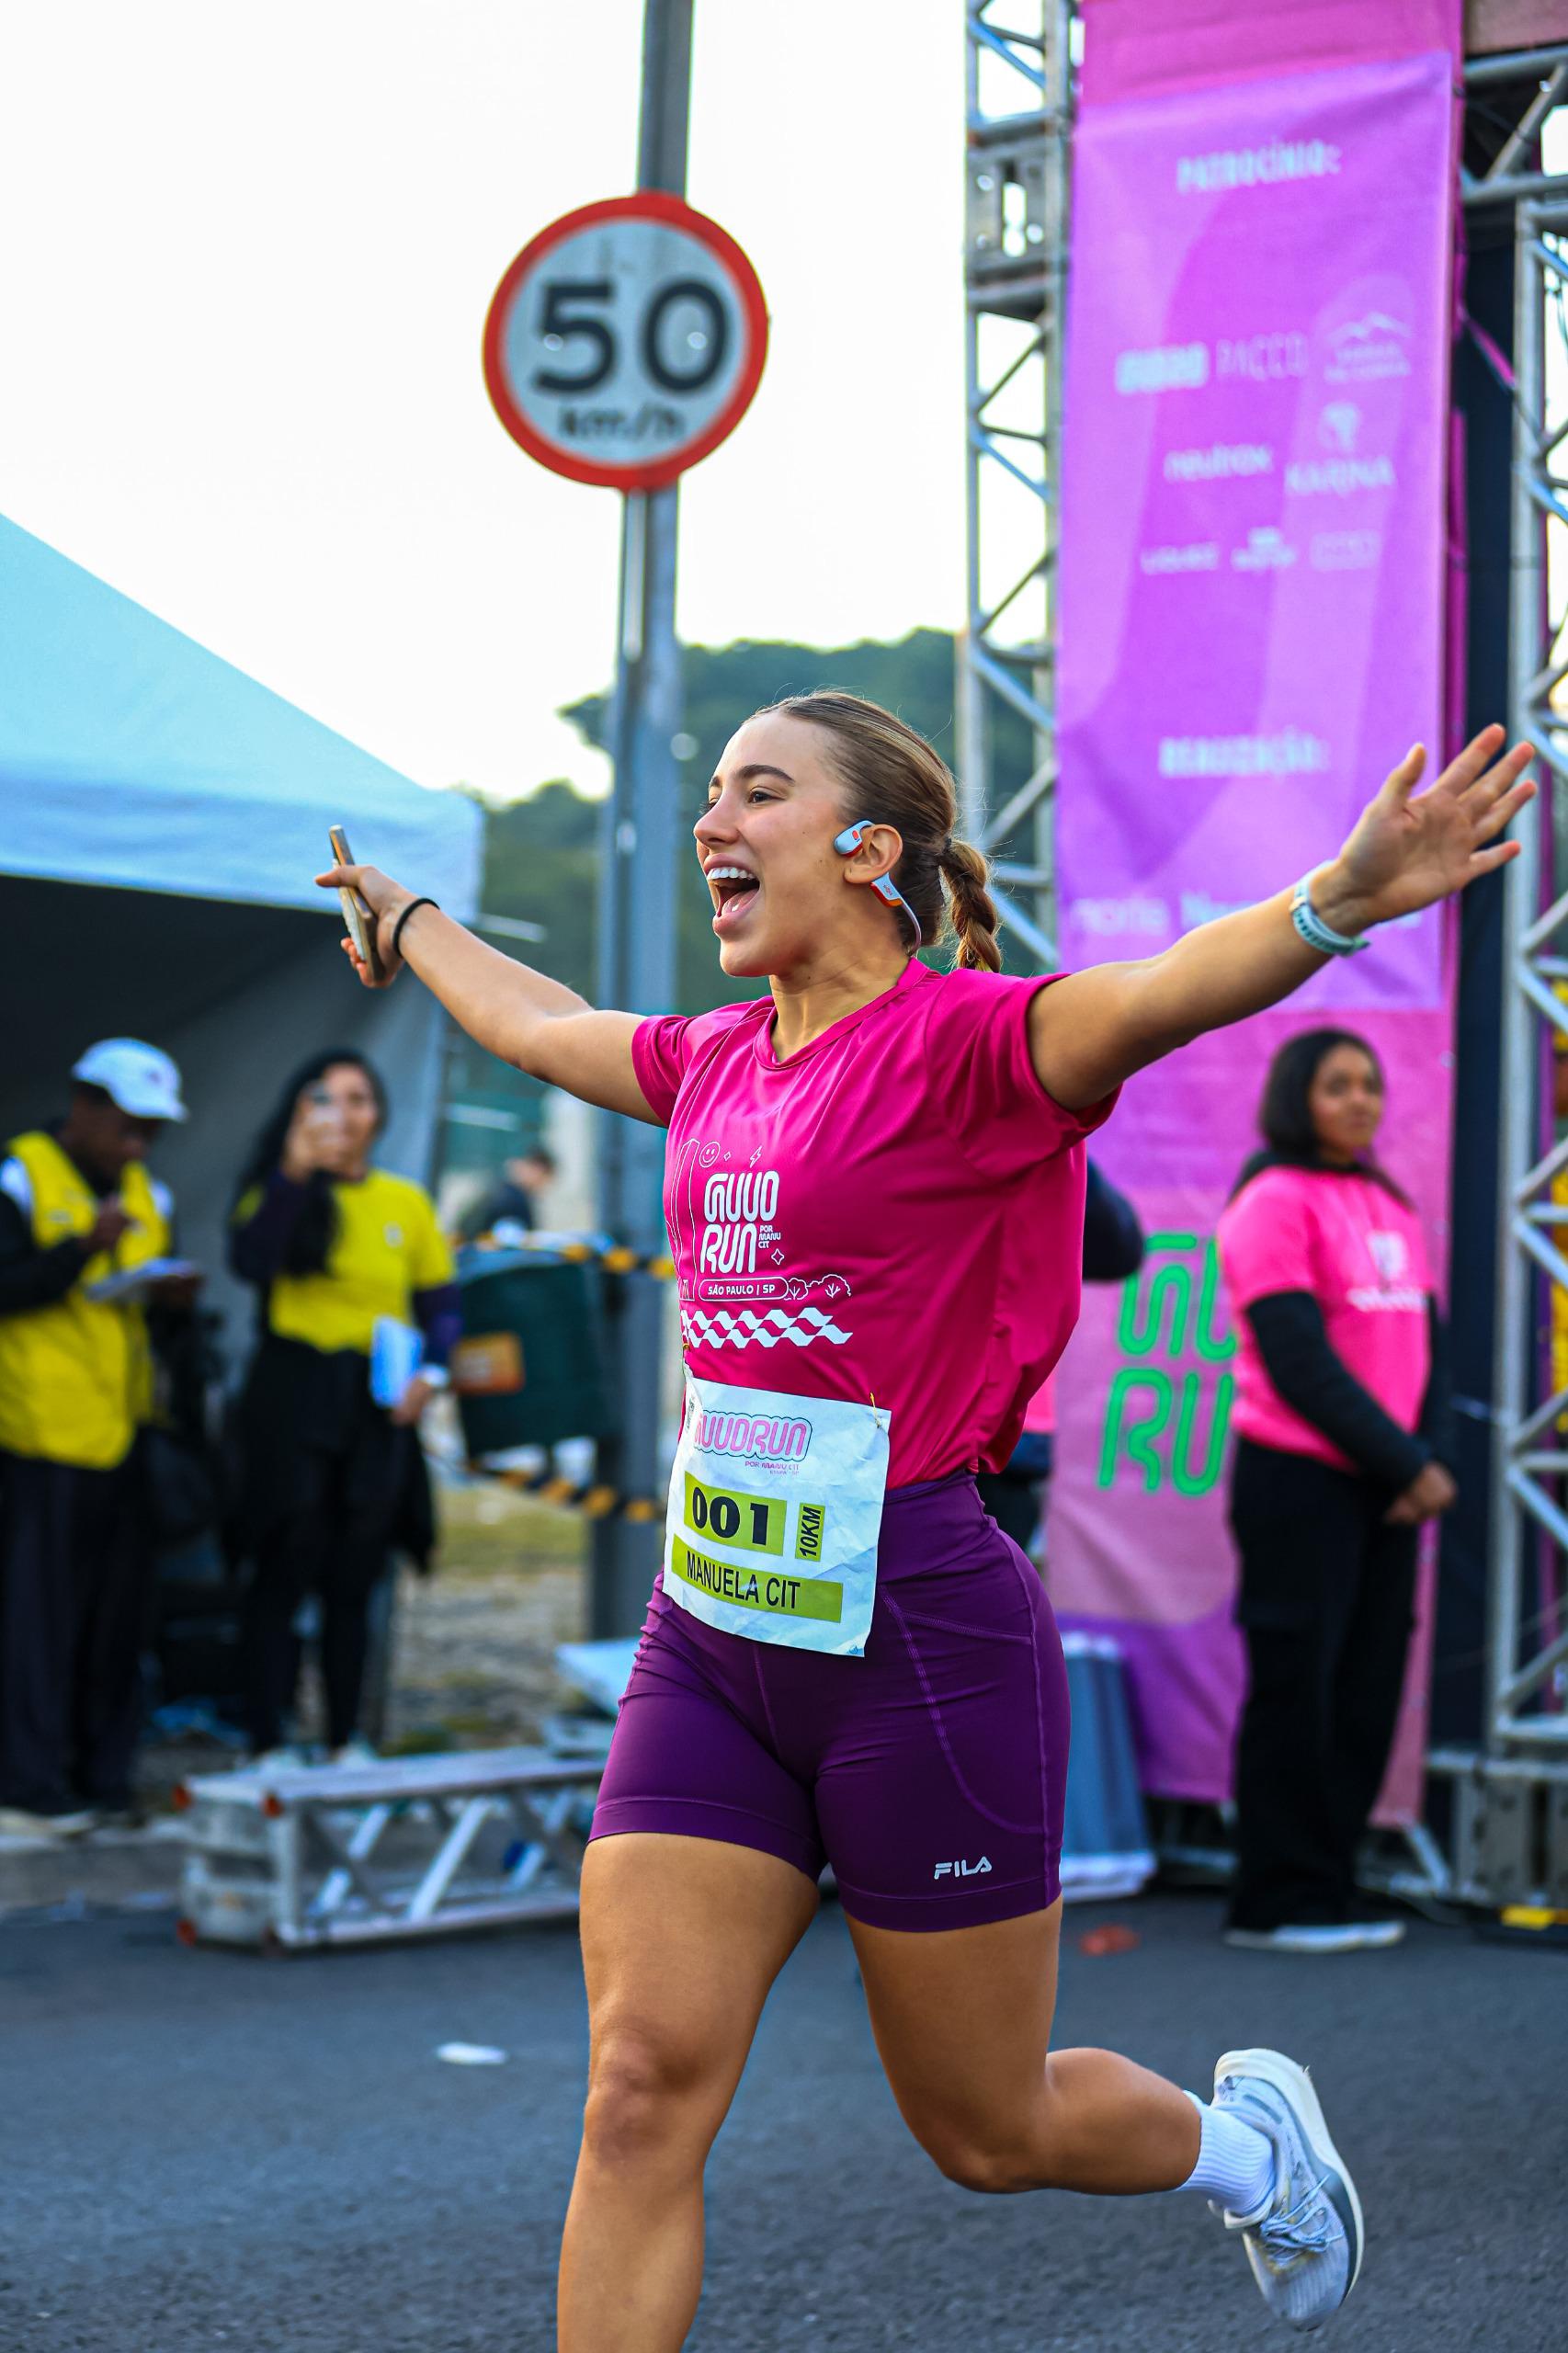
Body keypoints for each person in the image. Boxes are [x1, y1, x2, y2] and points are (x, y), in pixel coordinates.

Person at [322, 699, 1530, 2347]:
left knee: (986, 2130)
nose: (714, 823)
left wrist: (1339, 899)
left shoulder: (977, 1047)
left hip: (923, 1639)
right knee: (637, 2088)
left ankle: (1248, 2152)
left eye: (758, 792)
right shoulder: (712, 1060)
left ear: (866, 846)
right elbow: (541, 1027)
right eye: (712, 793)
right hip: (712, 1639)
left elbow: (1165, 990)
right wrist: (406, 917)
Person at [1215, 1030, 1457, 1957]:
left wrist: (1417, 1462)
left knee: (1365, 1687)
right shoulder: (1271, 1200)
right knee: (1296, 1686)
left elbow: (1428, 1353)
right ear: (1295, 1098)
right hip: (1299, 1482)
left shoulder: (1388, 1203)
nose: (1361, 1101)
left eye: (1370, 1086)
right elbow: (1299, 1362)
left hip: (1386, 1489)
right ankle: (1273, 1899)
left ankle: (1331, 1881)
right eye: (1337, 1086)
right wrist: (1407, 1465)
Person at [228, 1050, 458, 1764]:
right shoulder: (280, 1189)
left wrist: (432, 1373)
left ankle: (343, 1738)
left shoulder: (404, 1202)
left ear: (379, 1115)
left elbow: (441, 1305)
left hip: (375, 1405)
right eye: (325, 1100)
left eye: (358, 1099)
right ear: (300, 1114)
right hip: (294, 1399)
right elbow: (251, 1263)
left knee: (354, 1575)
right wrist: (294, 1172)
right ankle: (267, 1737)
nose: (343, 1115)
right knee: (283, 1564)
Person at [0, 1040, 199, 1836]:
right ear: (84, 1107)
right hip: (35, 1437)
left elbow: (151, 1319)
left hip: (122, 1435)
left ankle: (103, 1777)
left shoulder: (153, 1195)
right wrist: (81, 1249)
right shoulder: (19, 1177)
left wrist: (174, 1307)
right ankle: (30, 1785)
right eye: (128, 1127)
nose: (138, 1147)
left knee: (115, 1621)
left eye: (152, 1133)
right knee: (36, 1620)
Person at [976, 1160, 1143, 1554]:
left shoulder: (1044, 1150)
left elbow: (1118, 1249)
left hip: (1005, 1433)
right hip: (904, 1420)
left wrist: (1061, 1146)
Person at [458, 1143, 557, 1243]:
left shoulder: (501, 1189)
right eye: (545, 1179)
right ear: (537, 1170)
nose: (544, 1186)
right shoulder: (512, 1199)